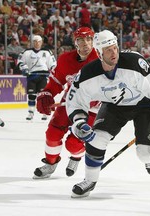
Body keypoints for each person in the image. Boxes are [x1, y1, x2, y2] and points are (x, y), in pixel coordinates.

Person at [65, 30, 150, 198]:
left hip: (144, 105)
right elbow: (75, 101)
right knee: (97, 138)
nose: (114, 53)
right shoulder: (88, 74)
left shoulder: (134, 62)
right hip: (114, 106)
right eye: (108, 50)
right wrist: (79, 122)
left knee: (145, 154)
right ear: (99, 53)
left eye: (115, 48)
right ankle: (89, 180)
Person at [33, 27, 99, 179]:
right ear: (75, 43)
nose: (86, 44)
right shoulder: (65, 59)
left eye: (89, 39)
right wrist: (47, 93)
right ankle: (50, 163)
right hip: (70, 102)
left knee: (74, 143)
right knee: (52, 133)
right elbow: (56, 82)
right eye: (81, 40)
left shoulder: (101, 60)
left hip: (93, 107)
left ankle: (76, 157)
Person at [17, 35, 56, 121]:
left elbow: (53, 64)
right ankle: (31, 113)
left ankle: (45, 113)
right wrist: (24, 68)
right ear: (32, 42)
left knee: (43, 96)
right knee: (31, 95)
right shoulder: (26, 52)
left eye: (38, 41)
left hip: (43, 76)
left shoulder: (47, 52)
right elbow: (20, 62)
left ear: (41, 42)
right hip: (31, 76)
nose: (37, 43)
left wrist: (53, 71)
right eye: (35, 41)